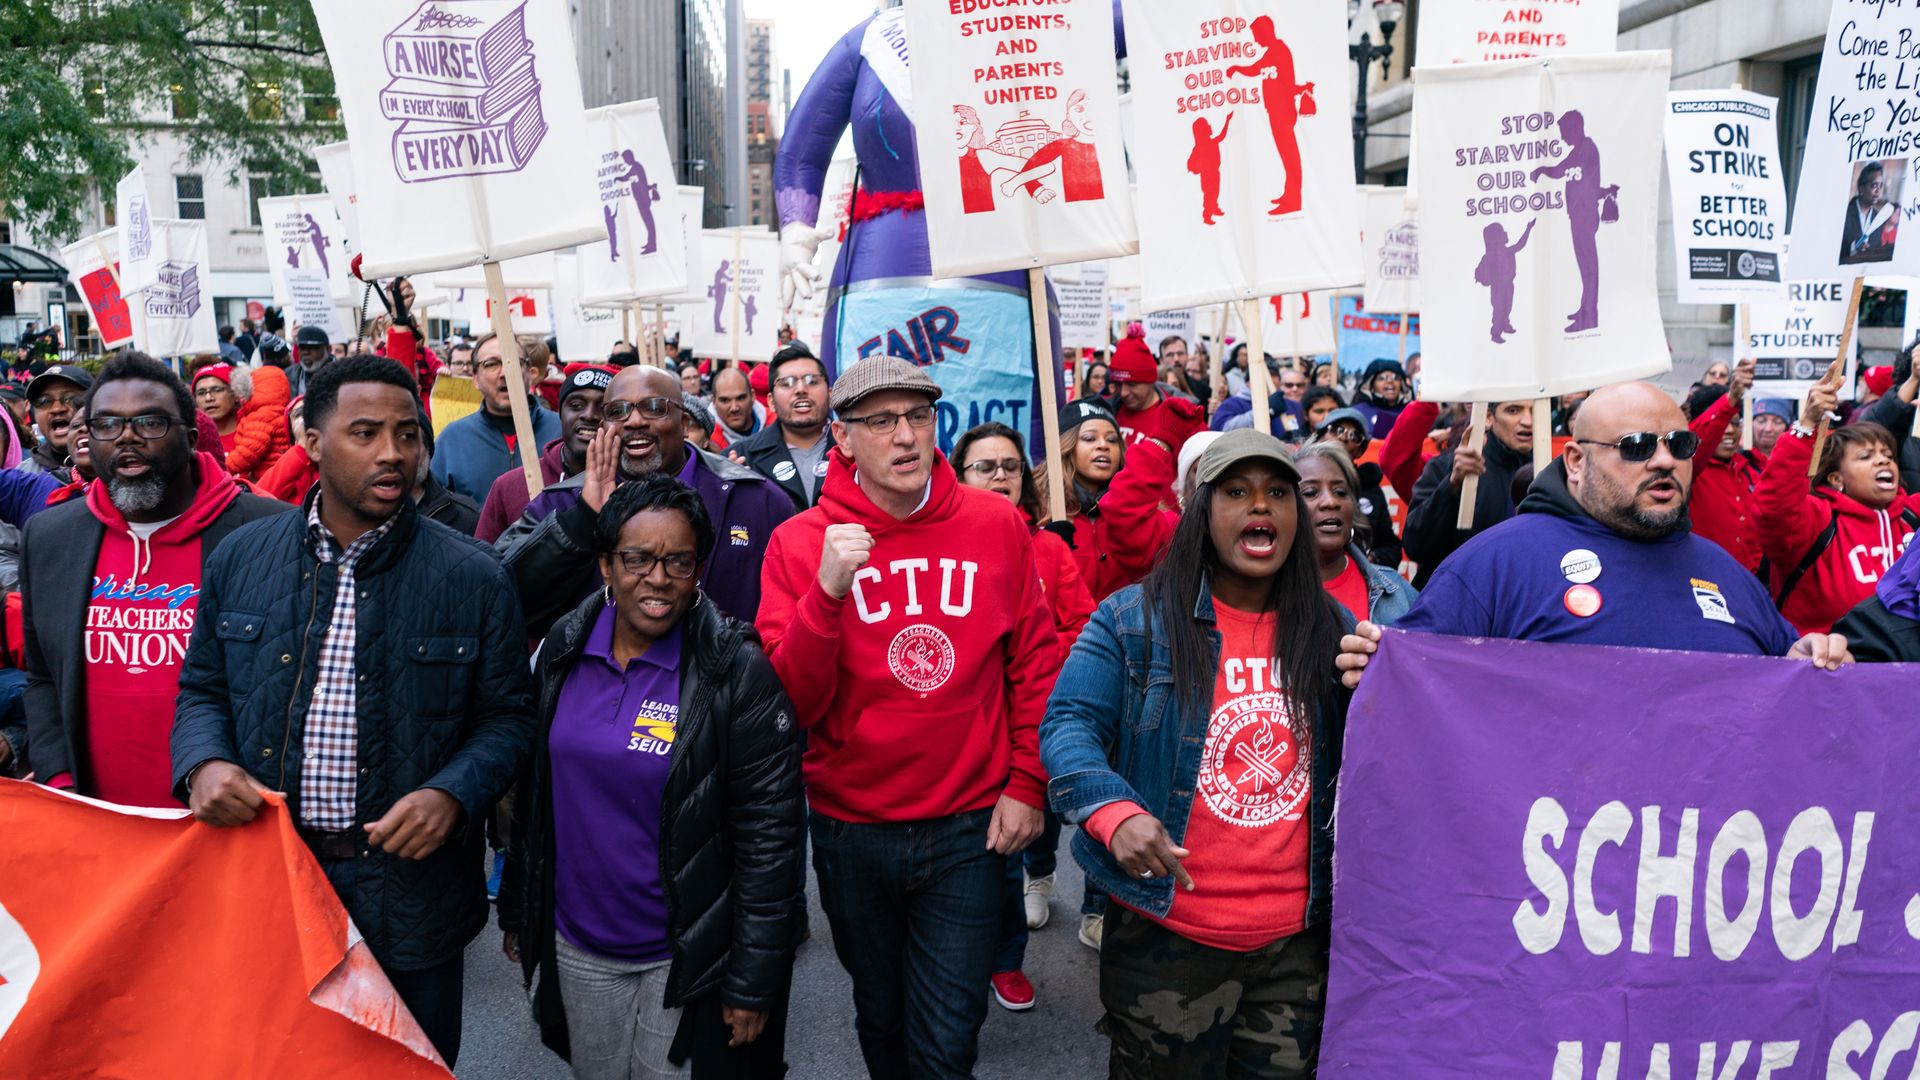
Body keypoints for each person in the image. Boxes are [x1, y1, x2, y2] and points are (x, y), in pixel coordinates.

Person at [172, 357, 535, 1067]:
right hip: (269, 882)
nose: (392, 452)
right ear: (310, 438)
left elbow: (509, 720)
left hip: (411, 900)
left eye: (408, 434)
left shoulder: (474, 575)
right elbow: (203, 688)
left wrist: (453, 793)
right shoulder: (242, 557)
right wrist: (203, 763)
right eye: (365, 432)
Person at [755, 357, 1058, 1079]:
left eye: (918, 417)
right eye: (881, 421)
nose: (905, 436)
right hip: (851, 825)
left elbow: (1035, 664)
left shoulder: (995, 524)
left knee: (948, 1039)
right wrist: (826, 594)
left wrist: (1027, 783)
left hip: (969, 825)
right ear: (842, 437)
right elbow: (790, 702)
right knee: (881, 1014)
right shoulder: (800, 543)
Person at [1042, 429, 1348, 1078]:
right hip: (1169, 937)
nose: (1259, 507)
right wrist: (1113, 812)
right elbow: (1068, 726)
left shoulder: (1332, 630)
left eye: (1276, 493)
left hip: (1294, 947)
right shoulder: (1133, 621)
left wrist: (1374, 691)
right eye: (1236, 492)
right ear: (1200, 511)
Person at [499, 475, 803, 1077]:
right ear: (606, 564)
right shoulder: (564, 646)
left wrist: (752, 981)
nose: (658, 578)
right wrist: (519, 910)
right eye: (637, 559)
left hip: (685, 954)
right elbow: (534, 799)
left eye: (678, 561)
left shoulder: (735, 672)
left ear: (699, 570)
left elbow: (771, 839)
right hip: (578, 945)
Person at [1337, 383, 1850, 680]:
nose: (1665, 460)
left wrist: (1805, 660)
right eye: (1636, 446)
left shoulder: (1728, 575)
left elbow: (1785, 673)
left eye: (1679, 444)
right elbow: (1411, 683)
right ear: (1577, 461)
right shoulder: (1496, 564)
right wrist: (1377, 667)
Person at [18, 352, 288, 802]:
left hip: (228, 817)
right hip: (98, 823)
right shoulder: (49, 538)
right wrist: (60, 779)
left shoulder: (271, 531)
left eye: (150, 423)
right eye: (107, 424)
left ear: (189, 435)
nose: (127, 438)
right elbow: (44, 677)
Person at [952, 420, 1096, 1010]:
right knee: (968, 856)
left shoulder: (1050, 548)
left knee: (1007, 846)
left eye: (1010, 466)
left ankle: (1006, 960)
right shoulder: (944, 543)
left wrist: (1030, 654)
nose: (1000, 476)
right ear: (958, 476)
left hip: (1030, 718)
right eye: (984, 467)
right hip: (964, 724)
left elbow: (1081, 624)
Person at [499, 365, 791, 633]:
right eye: (618, 411)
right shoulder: (564, 502)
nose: (634, 421)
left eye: (654, 408)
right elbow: (499, 598)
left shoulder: (756, 501)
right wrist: (582, 519)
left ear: (684, 422)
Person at [1754, 368, 1920, 635]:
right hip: (1827, 669)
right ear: (1835, 478)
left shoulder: (1911, 516)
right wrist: (1807, 422)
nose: (1883, 461)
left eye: (1888, 455)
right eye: (1865, 456)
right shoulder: (1815, 522)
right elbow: (1774, 504)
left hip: (1905, 672)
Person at [1401, 398, 1533, 589]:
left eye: (1534, 411)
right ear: (1488, 417)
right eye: (1513, 410)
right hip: (1455, 599)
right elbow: (1416, 545)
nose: (1527, 421)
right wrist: (1452, 485)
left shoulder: (1548, 472)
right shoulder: (1447, 467)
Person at [1060, 398, 1179, 604]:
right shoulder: (1039, 514)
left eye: (1112, 440)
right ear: (1066, 446)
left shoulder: (1148, 515)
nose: (1103, 446)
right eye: (1089, 438)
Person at [476, 366, 611, 544]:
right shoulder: (509, 486)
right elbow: (484, 564)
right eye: (576, 405)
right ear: (560, 414)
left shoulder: (632, 484)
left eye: (603, 408)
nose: (589, 415)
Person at [431, 333, 562, 502]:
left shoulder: (561, 431)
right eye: (491, 364)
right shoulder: (452, 440)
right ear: (475, 379)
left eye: (513, 362)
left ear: (530, 373)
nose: (505, 373)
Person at [1295, 442, 1416, 625]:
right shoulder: (1261, 594)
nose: (1330, 502)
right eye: (1311, 492)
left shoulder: (1395, 590)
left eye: (1340, 492)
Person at [731, 344, 837, 510]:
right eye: (787, 383)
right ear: (771, 401)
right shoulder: (740, 458)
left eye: (812, 381)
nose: (801, 389)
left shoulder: (857, 450)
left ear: (831, 394)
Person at [1684, 361, 1764, 573]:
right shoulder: (1688, 468)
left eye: (1735, 422)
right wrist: (1730, 399)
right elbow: (1699, 440)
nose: (1729, 431)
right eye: (1723, 422)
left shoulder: (1751, 468)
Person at [1311, 408, 1401, 570]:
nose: (1344, 437)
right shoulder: (1298, 479)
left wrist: (1370, 559)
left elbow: (1391, 548)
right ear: (1319, 437)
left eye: (1355, 436)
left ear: (1360, 451)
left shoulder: (1371, 491)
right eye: (1336, 429)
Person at [1107, 328, 1205, 456]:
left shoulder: (1182, 416)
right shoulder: (1106, 410)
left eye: (1132, 384)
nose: (1124, 392)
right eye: (1118, 384)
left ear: (1150, 381)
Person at [17, 364, 89, 478]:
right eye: (44, 401)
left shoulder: (117, 468)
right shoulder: (22, 476)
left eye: (70, 399)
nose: (57, 409)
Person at [1840, 161, 1899, 265]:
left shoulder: (1878, 219)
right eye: (1874, 185)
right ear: (1861, 188)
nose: (1878, 191)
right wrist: (1853, 247)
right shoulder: (1844, 215)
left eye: (1880, 186)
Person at [1350, 359, 1407, 439]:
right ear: (1371, 386)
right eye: (1382, 378)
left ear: (1402, 385)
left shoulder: (1410, 412)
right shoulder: (1356, 412)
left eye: (1396, 377)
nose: (1390, 381)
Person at [710, 367, 763, 448]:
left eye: (740, 398)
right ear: (714, 402)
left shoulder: (777, 425)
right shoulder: (707, 439)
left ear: (752, 396)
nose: (734, 408)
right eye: (725, 400)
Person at [288, 325, 333, 398]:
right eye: (302, 348)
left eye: (313, 347)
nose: (306, 352)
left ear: (328, 349)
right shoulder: (288, 376)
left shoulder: (342, 376)